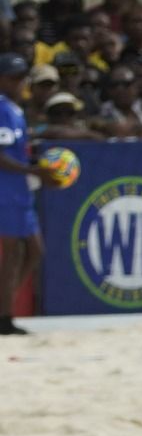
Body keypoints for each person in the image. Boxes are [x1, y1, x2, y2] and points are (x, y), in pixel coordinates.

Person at [0, 53, 67, 334]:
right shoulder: (2, 109)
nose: (19, 82)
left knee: (35, 250)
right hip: (6, 188)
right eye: (13, 78)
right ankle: (4, 317)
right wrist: (35, 171)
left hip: (18, 188)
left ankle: (3, 307)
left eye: (21, 77)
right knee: (15, 253)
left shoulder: (14, 109)